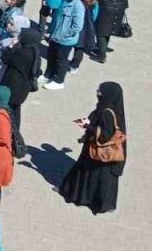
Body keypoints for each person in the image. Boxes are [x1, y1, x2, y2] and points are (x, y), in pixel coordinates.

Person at [59, 81, 126, 214]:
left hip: (101, 153)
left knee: (96, 176)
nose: (97, 92)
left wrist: (87, 126)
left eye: (100, 91)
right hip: (98, 153)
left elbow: (105, 136)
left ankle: (91, 200)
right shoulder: (108, 107)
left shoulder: (107, 112)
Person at [42, 0, 84, 90]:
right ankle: (48, 75)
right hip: (55, 36)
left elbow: (77, 26)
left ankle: (59, 80)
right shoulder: (64, 0)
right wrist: (51, 31)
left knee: (61, 60)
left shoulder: (78, 6)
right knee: (51, 56)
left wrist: (63, 35)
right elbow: (57, 17)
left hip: (65, 39)